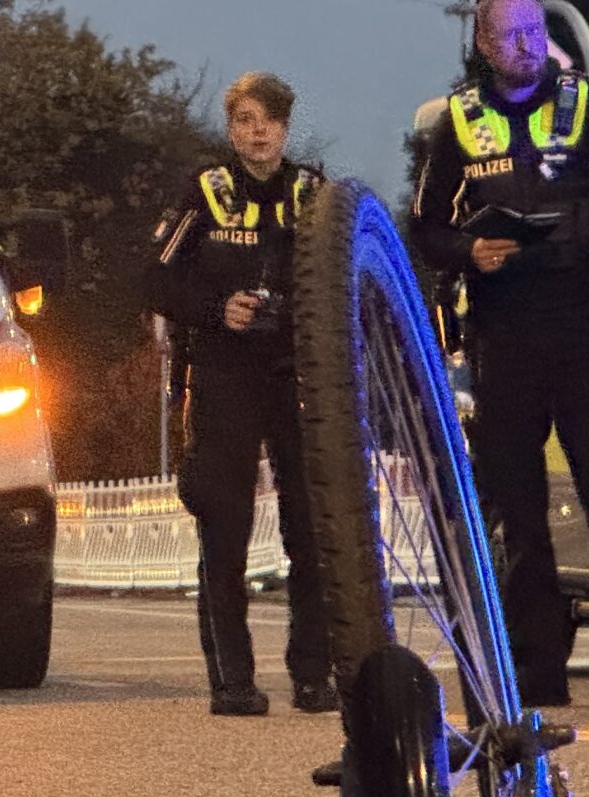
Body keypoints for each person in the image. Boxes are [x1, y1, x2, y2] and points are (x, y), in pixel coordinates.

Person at [412, 0, 589, 710]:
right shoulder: (457, 122)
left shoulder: (588, 107)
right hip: (504, 332)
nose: (528, 46)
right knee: (518, 514)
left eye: (536, 32)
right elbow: (426, 228)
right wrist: (470, 251)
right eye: (513, 36)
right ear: (484, 44)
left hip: (584, 326)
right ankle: (539, 672)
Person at [147, 72, 332, 717]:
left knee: (312, 530)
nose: (259, 132)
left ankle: (313, 675)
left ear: (286, 127)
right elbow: (156, 282)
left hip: (296, 376)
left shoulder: (314, 193)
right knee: (225, 529)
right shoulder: (206, 191)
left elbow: (350, 277)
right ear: (231, 129)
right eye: (246, 121)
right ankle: (231, 680)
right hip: (225, 376)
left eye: (270, 120)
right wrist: (214, 309)